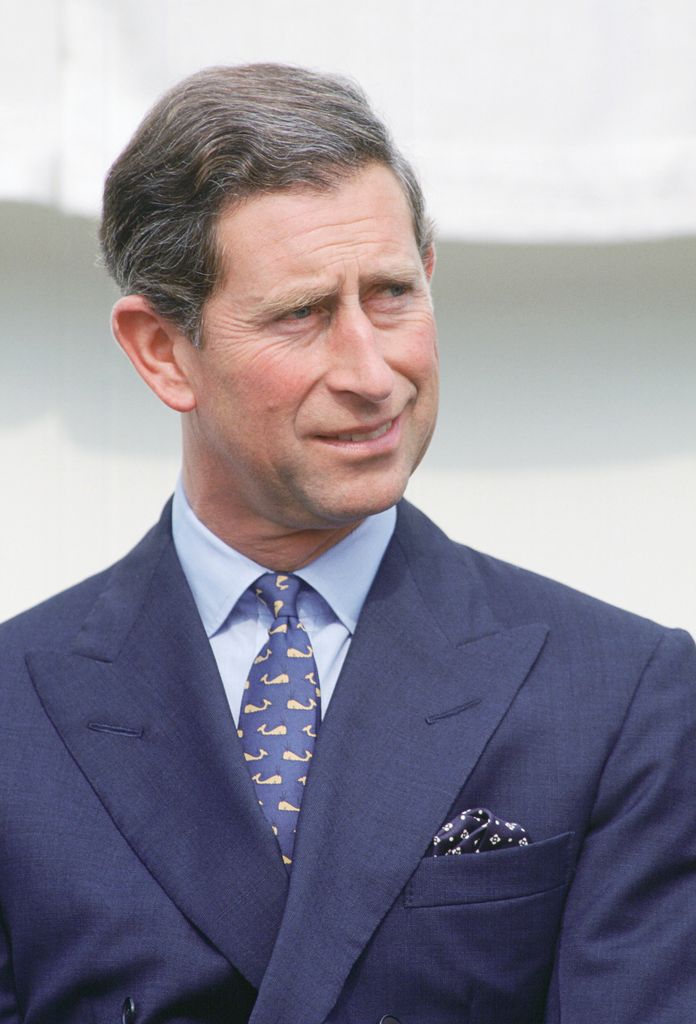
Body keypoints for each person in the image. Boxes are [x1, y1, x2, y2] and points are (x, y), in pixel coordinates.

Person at [0, 63, 694, 1024]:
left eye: (392, 295)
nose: (372, 371)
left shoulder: (622, 694)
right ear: (163, 350)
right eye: (303, 314)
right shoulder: (14, 708)